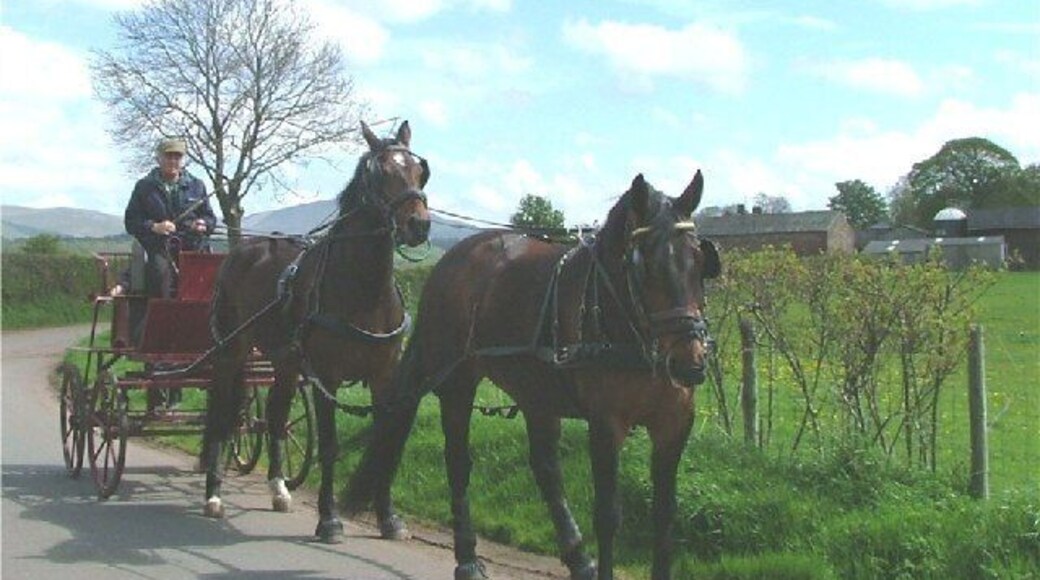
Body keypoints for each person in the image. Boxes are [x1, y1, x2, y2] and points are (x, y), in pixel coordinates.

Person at [124, 137, 217, 411]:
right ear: (159, 158)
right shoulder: (144, 187)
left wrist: (203, 224)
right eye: (168, 156)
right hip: (160, 250)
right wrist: (154, 227)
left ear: (182, 159)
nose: (173, 161)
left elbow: (211, 218)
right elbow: (131, 221)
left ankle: (201, 343)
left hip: (192, 251)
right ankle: (157, 352)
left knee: (206, 287)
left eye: (178, 157)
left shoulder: (196, 185)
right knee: (161, 275)